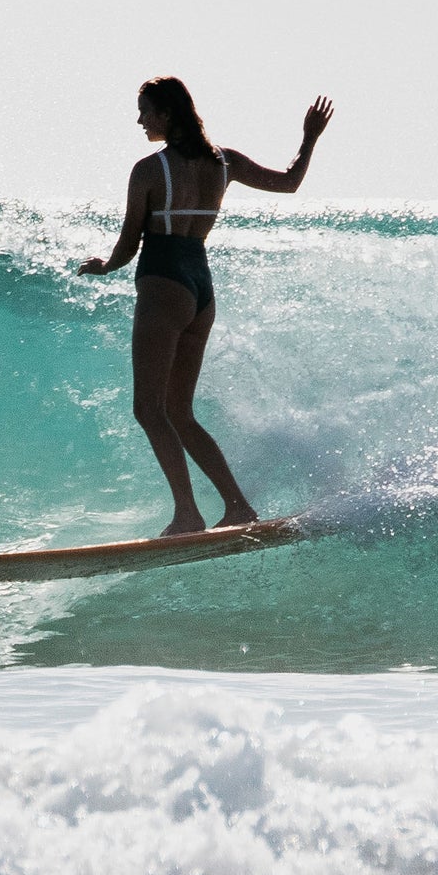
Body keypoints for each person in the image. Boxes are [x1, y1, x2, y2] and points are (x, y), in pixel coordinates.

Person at [79, 78, 333, 535]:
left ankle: (187, 514)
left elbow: (129, 242)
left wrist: (103, 267)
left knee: (148, 409)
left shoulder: (149, 170)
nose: (140, 120)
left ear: (168, 114)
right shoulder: (224, 162)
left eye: (145, 111)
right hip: (201, 290)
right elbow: (290, 183)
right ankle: (238, 507)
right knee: (179, 411)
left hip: (163, 285)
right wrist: (309, 138)